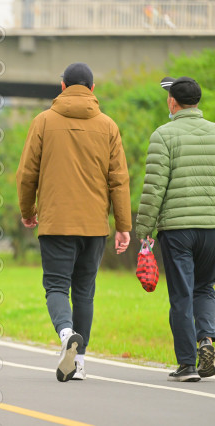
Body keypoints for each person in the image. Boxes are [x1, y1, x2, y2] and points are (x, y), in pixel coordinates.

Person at [16, 63, 131, 382]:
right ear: (92, 89)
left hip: (55, 223)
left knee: (56, 286)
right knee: (84, 291)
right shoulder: (108, 126)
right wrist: (123, 225)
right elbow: (119, 179)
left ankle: (66, 333)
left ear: (63, 86)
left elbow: (27, 173)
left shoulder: (43, 121)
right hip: (94, 226)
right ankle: (79, 363)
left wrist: (27, 210)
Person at [136, 76, 215, 382]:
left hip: (178, 230)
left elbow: (155, 187)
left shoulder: (163, 135)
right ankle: (206, 340)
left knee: (182, 295)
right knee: (204, 288)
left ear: (172, 102)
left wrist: (145, 228)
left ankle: (187, 365)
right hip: (211, 227)